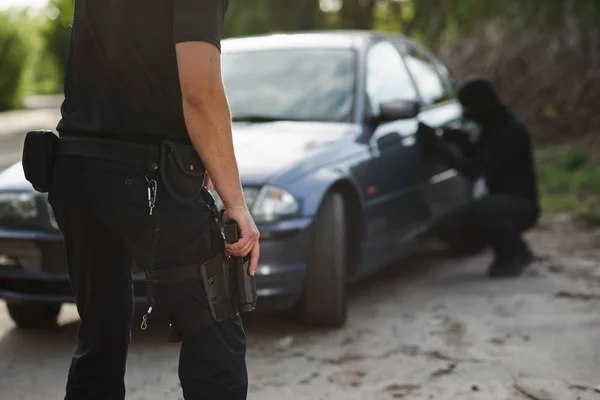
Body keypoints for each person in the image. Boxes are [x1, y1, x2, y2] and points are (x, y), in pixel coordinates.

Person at [46, 0, 260, 399]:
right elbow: (200, 91)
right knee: (213, 333)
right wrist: (237, 204)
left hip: (75, 171)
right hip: (148, 176)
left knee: (99, 337)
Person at [418, 77, 539, 278]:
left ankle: (509, 258)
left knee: (484, 212)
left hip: (521, 205)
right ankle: (518, 248)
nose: (467, 114)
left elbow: (474, 169)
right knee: (448, 226)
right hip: (503, 202)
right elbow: (482, 156)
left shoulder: (508, 132)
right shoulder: (494, 125)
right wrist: (461, 141)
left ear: (484, 105)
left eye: (469, 108)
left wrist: (439, 149)